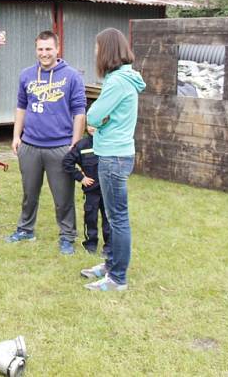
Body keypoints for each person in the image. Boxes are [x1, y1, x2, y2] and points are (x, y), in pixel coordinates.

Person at [7, 30, 86, 255]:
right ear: (36, 50)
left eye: (48, 49)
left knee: (63, 197)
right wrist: (16, 136)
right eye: (40, 49)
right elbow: (21, 106)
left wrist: (75, 144)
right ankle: (25, 230)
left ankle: (67, 236)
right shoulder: (26, 75)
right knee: (29, 193)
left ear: (57, 49)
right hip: (30, 145)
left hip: (60, 146)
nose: (44, 53)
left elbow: (79, 111)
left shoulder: (71, 76)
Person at [81, 28, 145, 292]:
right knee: (112, 214)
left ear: (106, 50)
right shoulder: (124, 79)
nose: (95, 52)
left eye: (97, 48)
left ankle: (117, 278)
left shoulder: (117, 82)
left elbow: (93, 115)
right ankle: (110, 264)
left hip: (113, 156)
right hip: (118, 153)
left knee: (117, 217)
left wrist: (98, 120)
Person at [62, 128, 111, 257]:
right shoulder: (82, 145)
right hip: (91, 191)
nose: (92, 128)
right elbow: (67, 162)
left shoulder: (110, 142)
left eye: (96, 124)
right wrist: (81, 177)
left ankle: (109, 246)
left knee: (108, 218)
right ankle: (91, 244)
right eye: (90, 124)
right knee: (91, 217)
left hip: (108, 190)